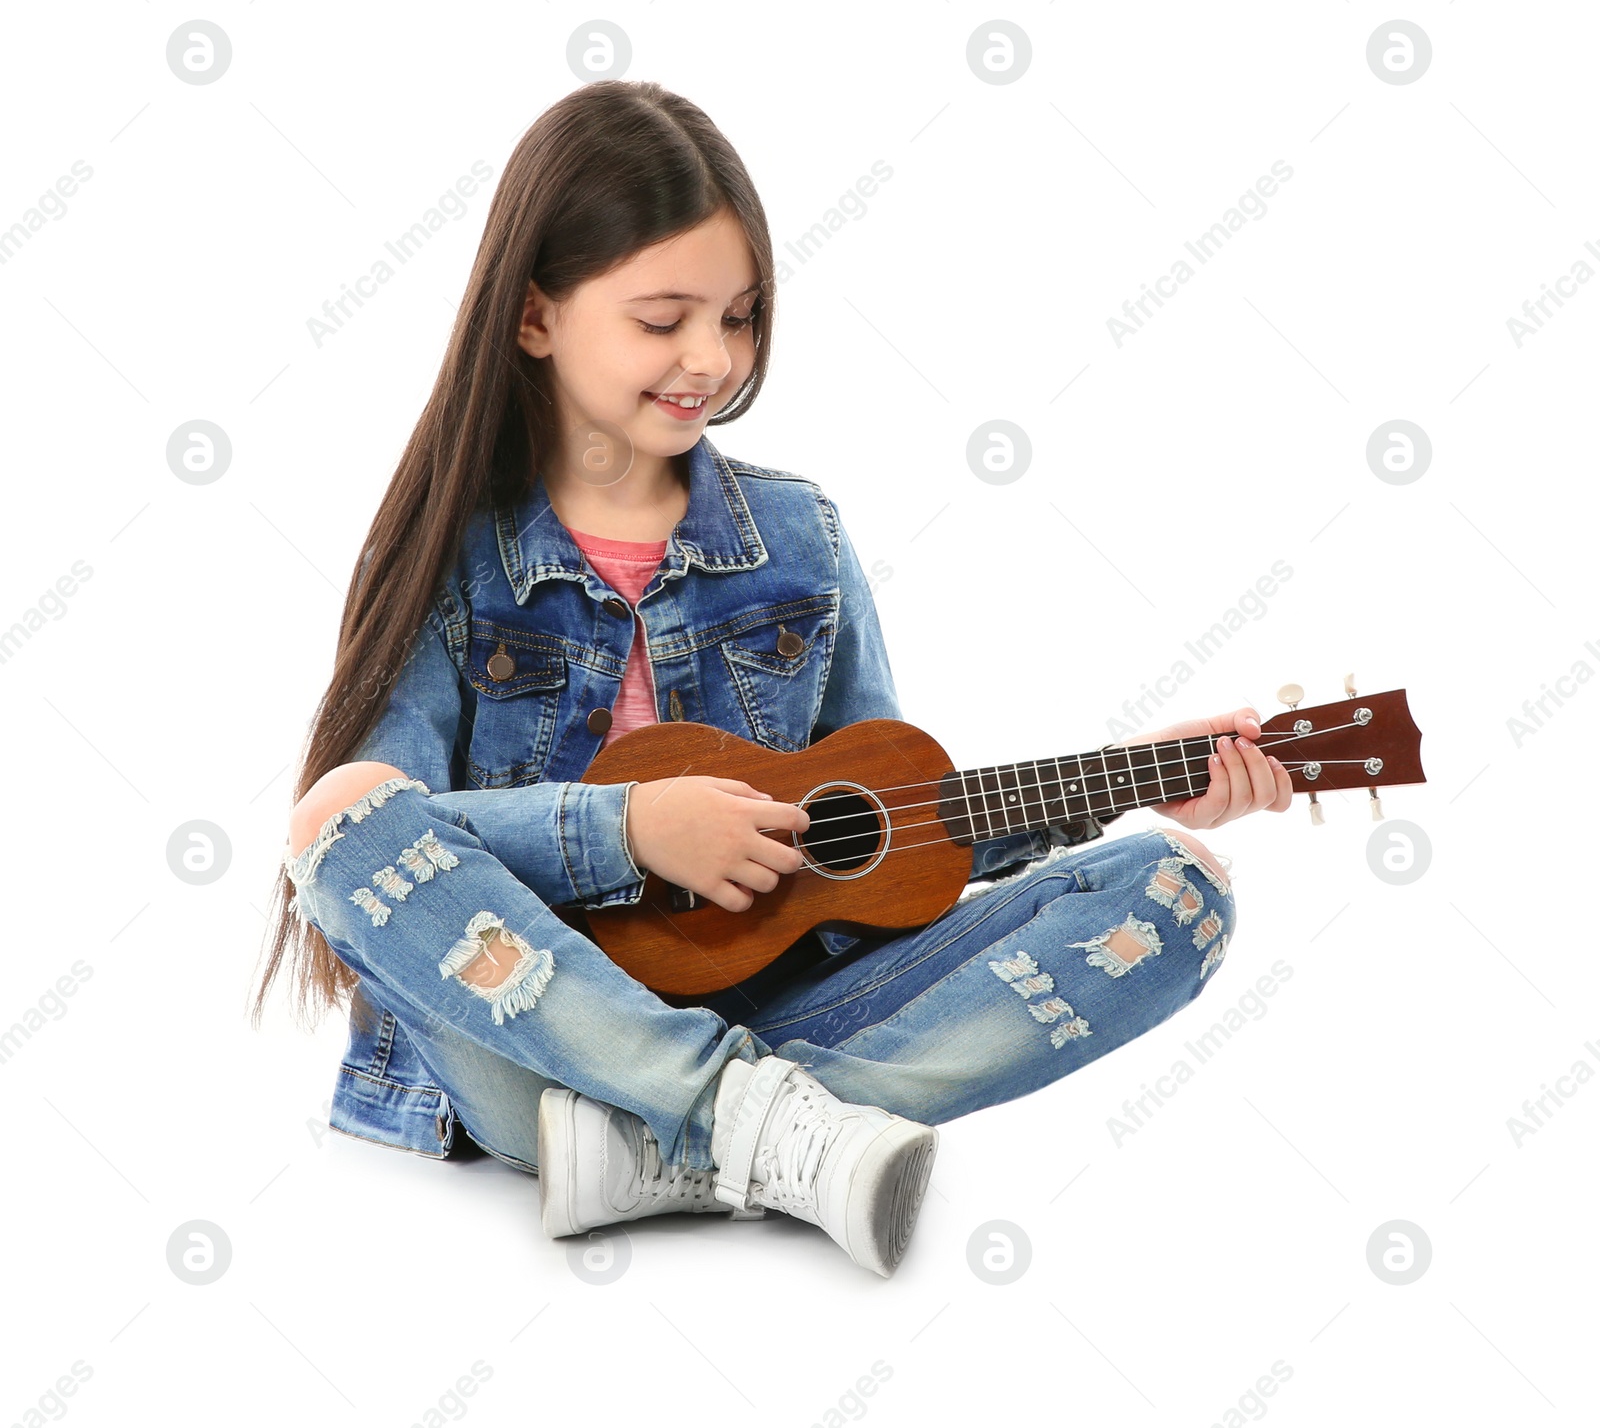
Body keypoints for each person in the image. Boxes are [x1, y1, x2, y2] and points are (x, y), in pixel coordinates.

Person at [255, 80, 1292, 1280]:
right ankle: (754, 1121)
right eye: (663, 318)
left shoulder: (800, 538)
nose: (712, 356)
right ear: (535, 315)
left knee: (1176, 890)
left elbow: (887, 828)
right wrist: (632, 829)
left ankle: (684, 1137)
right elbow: (384, 833)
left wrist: (1132, 780)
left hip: (782, 1004)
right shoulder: (455, 556)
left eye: (739, 316)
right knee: (338, 816)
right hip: (530, 1043)